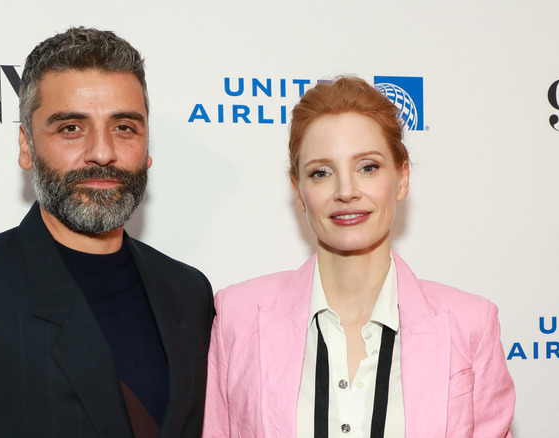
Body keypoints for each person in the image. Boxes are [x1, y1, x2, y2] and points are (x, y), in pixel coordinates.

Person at [0, 27, 214, 438]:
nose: (102, 152)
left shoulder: (187, 290)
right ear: (27, 146)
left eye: (124, 127)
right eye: (71, 128)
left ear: (146, 145)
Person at [203, 76, 515, 438]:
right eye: (321, 173)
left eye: (367, 167)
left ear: (401, 177)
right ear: (299, 192)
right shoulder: (238, 317)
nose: (346, 191)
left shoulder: (471, 324)